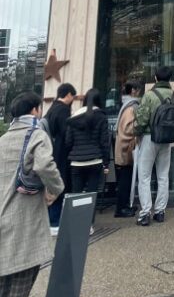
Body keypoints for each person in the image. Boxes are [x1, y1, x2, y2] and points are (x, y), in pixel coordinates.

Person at [0, 92, 64, 297]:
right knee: (27, 266)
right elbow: (45, 164)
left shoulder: (3, 139)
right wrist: (56, 188)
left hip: (3, 212)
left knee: (6, 266)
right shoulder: (36, 134)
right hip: (24, 213)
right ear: (36, 110)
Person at [133, 66, 174, 226]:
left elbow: (142, 118)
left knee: (144, 176)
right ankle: (160, 211)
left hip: (149, 137)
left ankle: (145, 213)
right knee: (163, 176)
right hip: (166, 139)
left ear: (156, 78)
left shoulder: (150, 95)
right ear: (169, 79)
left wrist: (135, 131)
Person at [64, 88, 110, 230]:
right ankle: (88, 225)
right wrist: (106, 162)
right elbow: (104, 142)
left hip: (76, 161)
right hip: (95, 160)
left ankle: (76, 224)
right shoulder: (101, 117)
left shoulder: (74, 117)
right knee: (91, 193)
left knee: (76, 192)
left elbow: (68, 141)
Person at [44, 81, 77, 234]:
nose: (73, 100)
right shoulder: (63, 110)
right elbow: (66, 134)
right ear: (69, 94)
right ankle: (55, 220)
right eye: (73, 96)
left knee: (55, 184)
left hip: (52, 152)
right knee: (61, 185)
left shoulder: (51, 109)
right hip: (62, 154)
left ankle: (52, 219)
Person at [113, 80, 142, 218]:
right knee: (125, 179)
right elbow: (129, 128)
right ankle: (121, 208)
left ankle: (124, 206)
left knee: (126, 178)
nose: (139, 92)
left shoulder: (125, 105)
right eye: (137, 89)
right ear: (133, 91)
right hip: (126, 149)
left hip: (123, 148)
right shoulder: (131, 107)